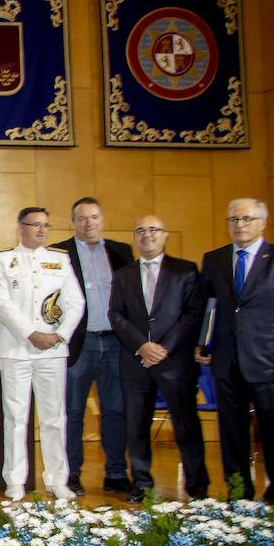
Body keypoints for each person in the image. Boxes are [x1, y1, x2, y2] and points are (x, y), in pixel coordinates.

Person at [196, 198, 274, 503]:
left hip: (271, 365)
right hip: (226, 363)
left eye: (246, 219)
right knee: (232, 436)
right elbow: (208, 307)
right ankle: (238, 494)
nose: (239, 225)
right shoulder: (215, 259)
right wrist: (203, 342)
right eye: (233, 220)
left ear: (262, 222)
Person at [108, 215, 209, 502]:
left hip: (175, 362)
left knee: (186, 424)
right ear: (134, 237)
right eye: (140, 230)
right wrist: (142, 346)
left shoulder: (185, 271)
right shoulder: (124, 274)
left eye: (153, 230)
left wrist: (163, 348)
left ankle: (197, 486)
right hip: (135, 361)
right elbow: (116, 314)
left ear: (165, 235)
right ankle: (142, 483)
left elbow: (193, 312)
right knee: (136, 426)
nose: (146, 235)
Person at [0, 207, 83, 501]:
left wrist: (59, 335)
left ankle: (57, 480)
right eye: (35, 225)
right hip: (17, 350)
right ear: (20, 227)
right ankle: (15, 480)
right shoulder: (3, 260)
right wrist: (31, 333)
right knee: (16, 417)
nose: (41, 230)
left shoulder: (60, 260)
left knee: (54, 417)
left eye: (45, 225)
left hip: (53, 351)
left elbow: (75, 302)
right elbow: (2, 303)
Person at [53, 197, 134, 496]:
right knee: (73, 412)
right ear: (72, 222)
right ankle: (71, 474)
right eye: (82, 218)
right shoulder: (59, 253)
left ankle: (115, 474)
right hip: (79, 342)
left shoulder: (121, 252)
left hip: (115, 342)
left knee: (115, 410)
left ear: (102, 219)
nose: (89, 223)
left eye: (94, 217)